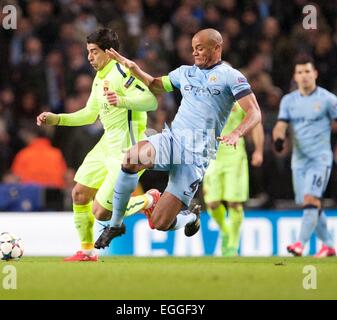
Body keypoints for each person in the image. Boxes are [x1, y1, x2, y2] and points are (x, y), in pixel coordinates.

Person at [95, 28, 262, 249]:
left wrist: (236, 133)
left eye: (200, 48)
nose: (194, 53)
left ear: (217, 48)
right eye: (193, 49)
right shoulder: (185, 72)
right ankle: (115, 225)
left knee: (160, 223)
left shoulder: (231, 76)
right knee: (131, 158)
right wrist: (135, 69)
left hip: (195, 158)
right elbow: (155, 84)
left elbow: (255, 112)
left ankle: (191, 218)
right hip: (173, 141)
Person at [37, 28, 159, 261]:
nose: (90, 57)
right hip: (106, 143)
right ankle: (86, 251)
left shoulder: (122, 72)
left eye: (94, 52)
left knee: (101, 212)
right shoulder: (100, 76)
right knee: (80, 194)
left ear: (109, 52)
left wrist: (122, 100)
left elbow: (151, 101)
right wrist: (57, 118)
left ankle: (149, 199)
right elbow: (90, 114)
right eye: (88, 52)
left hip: (126, 146)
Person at [272, 55, 337, 258]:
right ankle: (329, 245)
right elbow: (280, 125)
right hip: (299, 161)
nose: (304, 76)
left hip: (320, 159)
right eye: (300, 72)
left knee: (311, 199)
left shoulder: (327, 99)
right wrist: (278, 138)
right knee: (310, 204)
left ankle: (300, 244)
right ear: (295, 76)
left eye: (307, 72)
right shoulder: (288, 100)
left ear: (315, 74)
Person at [203, 102, 264, 257]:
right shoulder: (207, 96)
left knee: (234, 202)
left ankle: (232, 244)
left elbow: (256, 122)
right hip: (211, 156)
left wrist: (258, 150)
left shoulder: (241, 99)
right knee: (212, 202)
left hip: (234, 155)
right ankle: (225, 230)